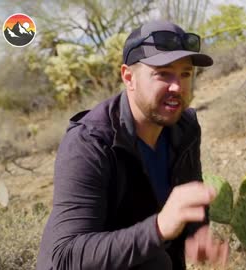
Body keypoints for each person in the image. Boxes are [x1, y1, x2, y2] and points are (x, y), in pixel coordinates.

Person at [36, 20, 229, 270]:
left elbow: (189, 194)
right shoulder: (90, 142)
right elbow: (65, 256)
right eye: (163, 73)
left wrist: (197, 234)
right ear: (129, 77)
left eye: (186, 74)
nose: (177, 87)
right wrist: (158, 228)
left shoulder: (185, 127)